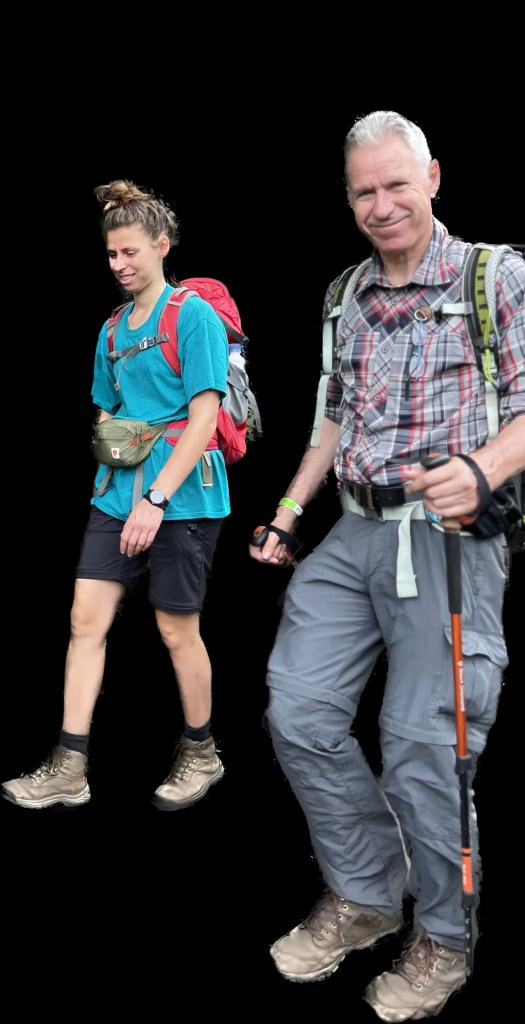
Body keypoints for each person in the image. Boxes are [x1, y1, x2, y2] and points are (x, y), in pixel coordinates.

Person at [249, 111, 524, 1020]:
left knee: (421, 746)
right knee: (297, 711)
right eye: (363, 191)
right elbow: (333, 418)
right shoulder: (344, 293)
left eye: (396, 184)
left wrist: (480, 469)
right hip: (354, 529)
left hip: (446, 539)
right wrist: (290, 512)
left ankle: (445, 934)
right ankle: (367, 891)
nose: (381, 205)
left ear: (431, 177)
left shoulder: (493, 277)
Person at [2, 179, 231, 812]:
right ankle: (69, 767)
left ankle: (202, 753)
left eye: (131, 251)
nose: (120, 264)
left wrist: (154, 500)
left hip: (182, 497)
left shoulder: (191, 316)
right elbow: (107, 410)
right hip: (115, 493)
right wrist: (117, 470)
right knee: (85, 621)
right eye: (111, 254)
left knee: (176, 629)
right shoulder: (111, 330)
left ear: (162, 245)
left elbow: (205, 419)